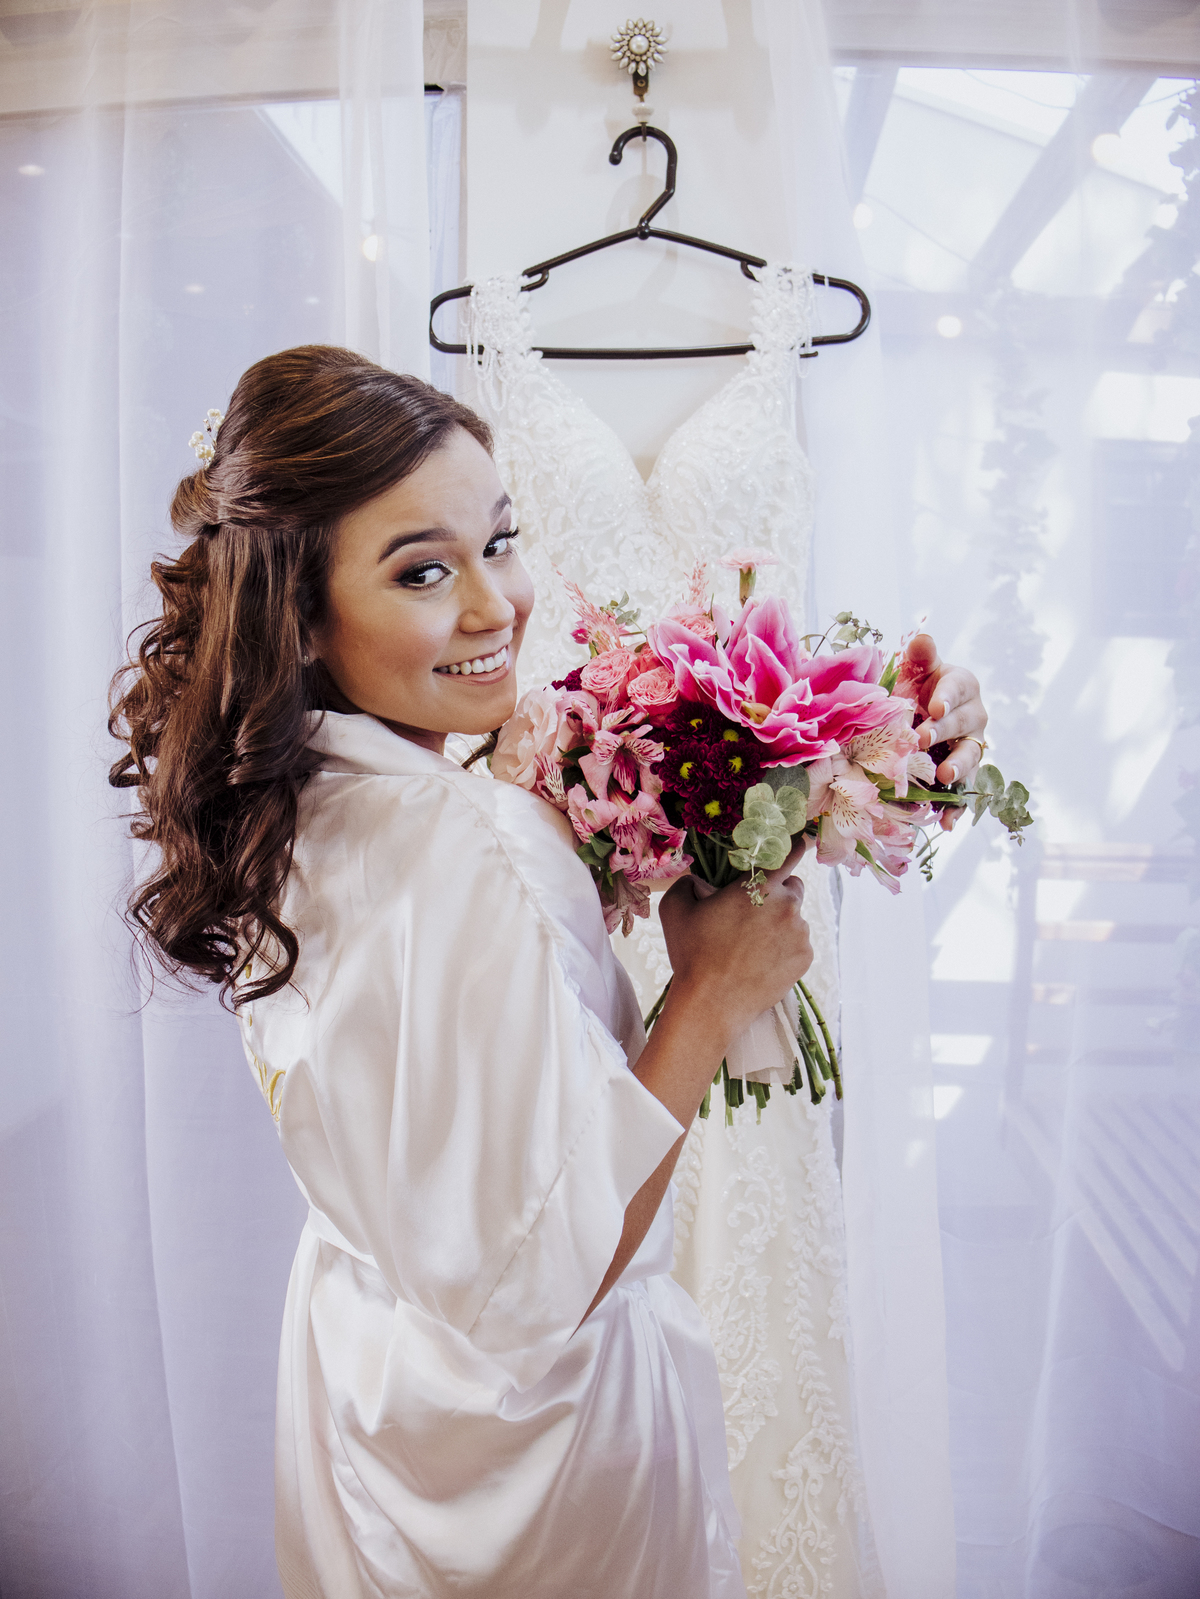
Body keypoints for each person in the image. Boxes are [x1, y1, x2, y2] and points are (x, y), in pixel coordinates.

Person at [108, 345, 818, 1599]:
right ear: (299, 614)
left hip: (377, 1386)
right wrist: (712, 994)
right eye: (423, 571)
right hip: (532, 1446)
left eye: (500, 541)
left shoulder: (304, 803)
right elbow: (547, 1283)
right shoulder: (455, 838)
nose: (496, 606)